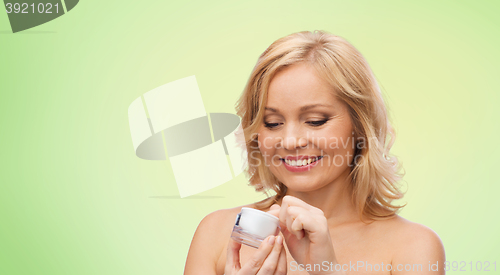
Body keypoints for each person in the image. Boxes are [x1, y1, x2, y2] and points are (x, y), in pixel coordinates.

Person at [184, 30, 445, 275]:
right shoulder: (219, 233)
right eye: (273, 123)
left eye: (316, 120)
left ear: (360, 125)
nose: (290, 141)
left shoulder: (413, 248)